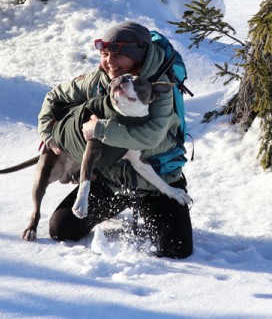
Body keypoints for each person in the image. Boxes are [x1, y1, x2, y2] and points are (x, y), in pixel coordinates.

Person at [37, 21, 193, 258]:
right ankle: (120, 204)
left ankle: (150, 207)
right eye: (105, 54)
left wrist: (99, 129)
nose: (110, 61)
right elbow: (54, 96)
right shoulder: (100, 80)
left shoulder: (159, 86)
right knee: (62, 229)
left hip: (156, 181)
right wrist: (48, 135)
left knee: (176, 249)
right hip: (111, 180)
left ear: (137, 57)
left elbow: (150, 137)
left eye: (118, 55)